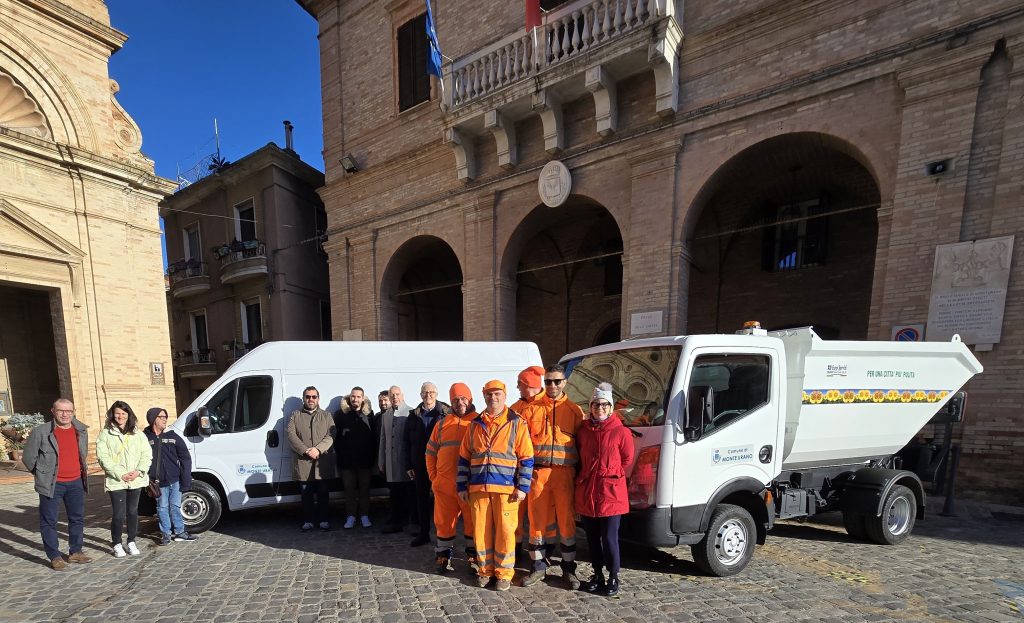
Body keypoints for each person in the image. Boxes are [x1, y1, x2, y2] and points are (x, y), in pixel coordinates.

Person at [457, 380, 533, 591]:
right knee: (480, 532)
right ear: (484, 396)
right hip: (478, 488)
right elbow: (464, 458)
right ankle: (485, 571)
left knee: (506, 532)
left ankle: (504, 574)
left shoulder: (517, 423)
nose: (493, 398)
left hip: (507, 490)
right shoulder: (475, 424)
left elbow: (527, 458)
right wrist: (462, 486)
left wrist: (523, 487)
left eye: (497, 394)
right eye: (489, 394)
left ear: (505, 395)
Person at [521, 364, 585, 589]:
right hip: (538, 475)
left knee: (567, 524)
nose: (553, 385)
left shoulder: (574, 411)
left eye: (557, 381)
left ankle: (569, 570)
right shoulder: (531, 410)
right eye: (548, 381)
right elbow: (521, 445)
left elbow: (583, 446)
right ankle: (538, 567)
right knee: (536, 524)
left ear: (565, 382)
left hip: (564, 475)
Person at [576, 383, 635, 597]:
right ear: (590, 407)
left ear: (610, 407)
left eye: (603, 405)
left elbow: (627, 459)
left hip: (610, 492)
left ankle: (613, 575)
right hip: (588, 491)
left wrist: (610, 471)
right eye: (595, 405)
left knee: (609, 537)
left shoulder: (621, 432)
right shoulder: (583, 431)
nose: (599, 408)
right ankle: (597, 574)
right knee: (591, 537)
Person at [22, 398, 92, 570]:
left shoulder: (80, 430)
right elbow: (28, 458)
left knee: (76, 518)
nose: (65, 414)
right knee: (49, 521)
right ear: (53, 411)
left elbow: (81, 454)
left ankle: (75, 551)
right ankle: (54, 555)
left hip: (76, 481)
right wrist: (42, 474)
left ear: (73, 412)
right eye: (61, 410)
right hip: (53, 484)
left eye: (69, 411)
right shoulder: (41, 432)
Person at [425, 382, 478, 574]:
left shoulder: (479, 421)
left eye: (463, 398)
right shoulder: (441, 424)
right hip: (445, 485)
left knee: (473, 522)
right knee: (444, 522)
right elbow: (430, 452)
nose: (459, 402)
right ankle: (443, 555)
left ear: (470, 399)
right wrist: (434, 478)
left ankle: (473, 555)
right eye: (455, 400)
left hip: (470, 485)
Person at [95, 401, 152, 558]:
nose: (120, 416)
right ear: (113, 414)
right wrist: (119, 474)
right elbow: (103, 456)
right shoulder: (105, 434)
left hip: (135, 479)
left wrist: (139, 471)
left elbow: (146, 454)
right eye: (117, 413)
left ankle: (131, 540)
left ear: (129, 415)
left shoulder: (138, 434)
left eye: (123, 414)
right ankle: (117, 543)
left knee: (133, 512)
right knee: (119, 514)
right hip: (117, 480)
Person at [405, 381, 450, 547]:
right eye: (425, 392)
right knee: (421, 500)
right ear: (420, 395)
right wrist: (408, 465)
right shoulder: (414, 415)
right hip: (420, 464)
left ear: (436, 394)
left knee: (442, 500)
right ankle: (424, 533)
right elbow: (407, 442)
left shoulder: (446, 413)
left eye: (431, 392)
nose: (428, 395)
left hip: (441, 464)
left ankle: (443, 536)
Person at [144, 407, 197, 545]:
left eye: (165, 416)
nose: (165, 419)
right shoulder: (144, 438)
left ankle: (180, 531)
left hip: (175, 480)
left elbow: (185, 457)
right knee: (162, 507)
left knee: (175, 506)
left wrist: (185, 478)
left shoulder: (172, 436)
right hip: (157, 482)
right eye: (161, 417)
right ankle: (166, 534)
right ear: (153, 419)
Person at [286, 386, 336, 531]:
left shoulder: (326, 416)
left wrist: (318, 449)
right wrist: (306, 450)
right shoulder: (295, 415)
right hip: (303, 462)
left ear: (318, 399)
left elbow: (332, 435)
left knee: (323, 493)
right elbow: (291, 435)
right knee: (306, 494)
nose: (311, 399)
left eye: (314, 397)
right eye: (308, 396)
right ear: (304, 398)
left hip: (322, 462)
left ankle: (323, 520)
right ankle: (308, 520)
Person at [509, 365, 545, 556]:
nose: (517, 387)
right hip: (517, 471)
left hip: (540, 471)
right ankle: (515, 549)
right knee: (515, 512)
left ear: (529, 385)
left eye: (520, 384)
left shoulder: (547, 406)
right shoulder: (514, 409)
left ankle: (538, 556)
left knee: (537, 516)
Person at [334, 387, 378, 529]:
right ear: (349, 398)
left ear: (363, 399)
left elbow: (374, 438)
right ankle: (351, 516)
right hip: (347, 461)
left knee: (365, 489)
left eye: (358, 397)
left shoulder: (369, 415)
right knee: (349, 489)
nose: (355, 399)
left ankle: (364, 515)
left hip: (365, 461)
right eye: (353, 396)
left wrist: (372, 456)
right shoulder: (340, 415)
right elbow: (336, 438)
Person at [379, 385, 415, 534]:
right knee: (394, 493)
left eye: (397, 394)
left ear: (402, 395)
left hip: (405, 461)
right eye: (392, 395)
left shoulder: (411, 413)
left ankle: (410, 522)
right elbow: (383, 439)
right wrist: (381, 459)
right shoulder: (386, 415)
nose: (395, 397)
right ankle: (397, 521)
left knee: (409, 494)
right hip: (390, 461)